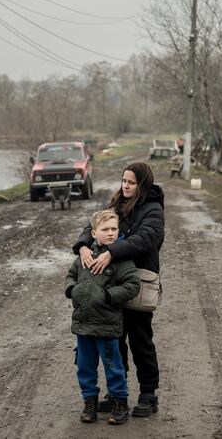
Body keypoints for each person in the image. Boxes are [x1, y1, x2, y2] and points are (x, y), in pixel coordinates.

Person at [72, 162, 165, 417]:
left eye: (131, 182)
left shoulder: (153, 209)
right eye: (124, 180)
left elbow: (146, 239)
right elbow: (94, 225)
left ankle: (148, 394)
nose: (125, 186)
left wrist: (111, 253)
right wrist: (82, 245)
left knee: (141, 340)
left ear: (142, 184)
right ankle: (117, 392)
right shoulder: (117, 204)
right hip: (111, 284)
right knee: (116, 340)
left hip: (137, 282)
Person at [65, 209, 141, 425]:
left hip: (107, 325)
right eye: (105, 229)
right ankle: (89, 405)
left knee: (114, 367)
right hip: (82, 323)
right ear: (94, 233)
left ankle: (120, 405)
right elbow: (71, 275)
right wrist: (72, 290)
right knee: (85, 366)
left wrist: (108, 295)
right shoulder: (85, 256)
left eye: (114, 229)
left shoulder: (120, 259)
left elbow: (133, 285)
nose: (110, 233)